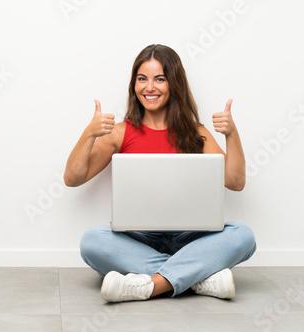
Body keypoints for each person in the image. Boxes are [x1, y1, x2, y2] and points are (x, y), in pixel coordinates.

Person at [63, 44, 256, 303]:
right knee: (92, 241)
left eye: (159, 79)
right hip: (137, 239)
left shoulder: (196, 133)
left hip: (188, 238)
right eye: (142, 79)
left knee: (243, 235)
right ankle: (198, 278)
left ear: (173, 84)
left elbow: (235, 182)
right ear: (134, 84)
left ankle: (151, 285)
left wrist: (232, 135)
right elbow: (72, 178)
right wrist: (89, 133)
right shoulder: (120, 132)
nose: (149, 87)